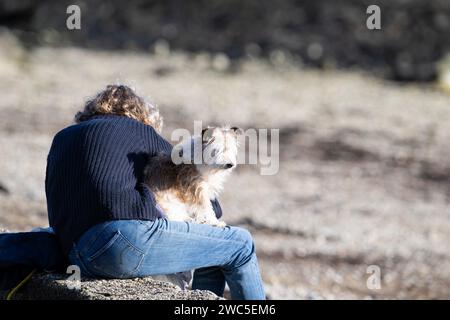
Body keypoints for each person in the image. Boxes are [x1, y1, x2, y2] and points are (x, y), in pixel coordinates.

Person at [45, 85, 265, 300]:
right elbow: (199, 189)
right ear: (140, 114)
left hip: (73, 254)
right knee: (240, 244)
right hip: (120, 243)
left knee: (213, 249)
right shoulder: (139, 130)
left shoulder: (62, 138)